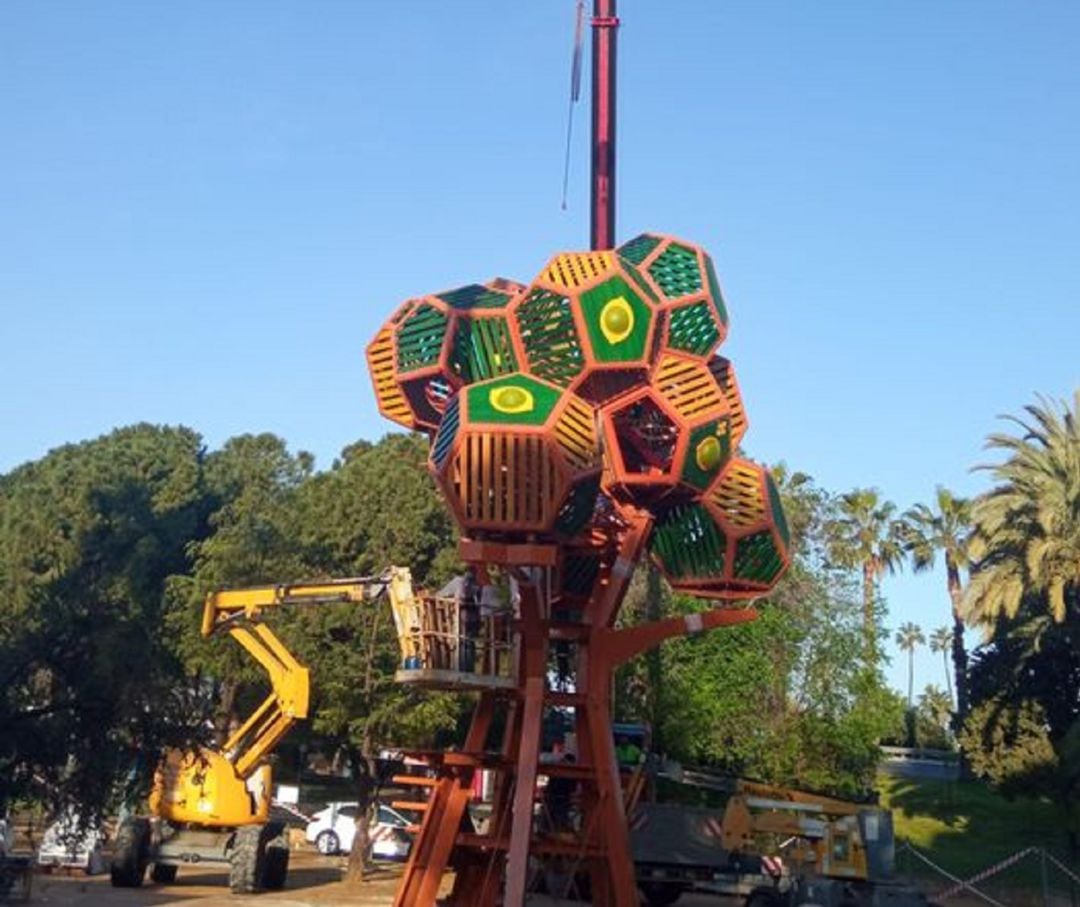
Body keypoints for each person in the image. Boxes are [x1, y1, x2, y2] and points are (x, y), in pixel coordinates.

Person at [456, 568, 480, 673]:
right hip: (469, 618)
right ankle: (467, 668)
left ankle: (466, 668)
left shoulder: (465, 584)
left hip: (466, 618)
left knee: (466, 643)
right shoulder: (471, 585)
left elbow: (461, 597)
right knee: (468, 643)